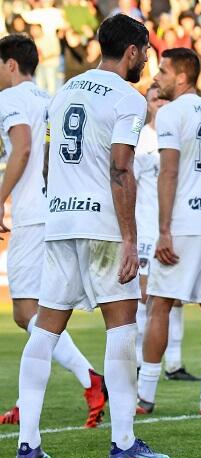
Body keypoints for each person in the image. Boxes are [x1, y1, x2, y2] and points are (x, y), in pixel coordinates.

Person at [15, 14, 169, 458]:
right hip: (102, 226)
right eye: (145, 52)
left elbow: (46, 162)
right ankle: (123, 442)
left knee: (45, 327)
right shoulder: (128, 97)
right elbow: (121, 167)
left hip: (59, 223)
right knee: (121, 326)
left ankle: (29, 442)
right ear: (135, 51)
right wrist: (129, 238)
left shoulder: (63, 91)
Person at [0, 34, 106, 428]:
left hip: (31, 214)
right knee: (45, 313)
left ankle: (90, 378)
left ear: (11, 64)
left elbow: (23, 147)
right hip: (59, 211)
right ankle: (26, 404)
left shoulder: (11, 100)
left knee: (27, 313)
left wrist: (1, 197)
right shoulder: (51, 98)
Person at [138, 48, 201, 416]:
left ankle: (145, 395)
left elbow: (169, 172)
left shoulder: (171, 114)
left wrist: (164, 230)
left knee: (159, 304)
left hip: (185, 224)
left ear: (181, 77)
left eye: (162, 71)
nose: (156, 77)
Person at [133, 84, 199, 382]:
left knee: (175, 297)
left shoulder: (181, 134)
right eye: (154, 99)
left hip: (177, 227)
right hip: (146, 228)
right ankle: (138, 360)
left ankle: (174, 363)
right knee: (145, 296)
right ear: (147, 104)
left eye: (162, 98)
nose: (158, 103)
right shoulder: (139, 138)